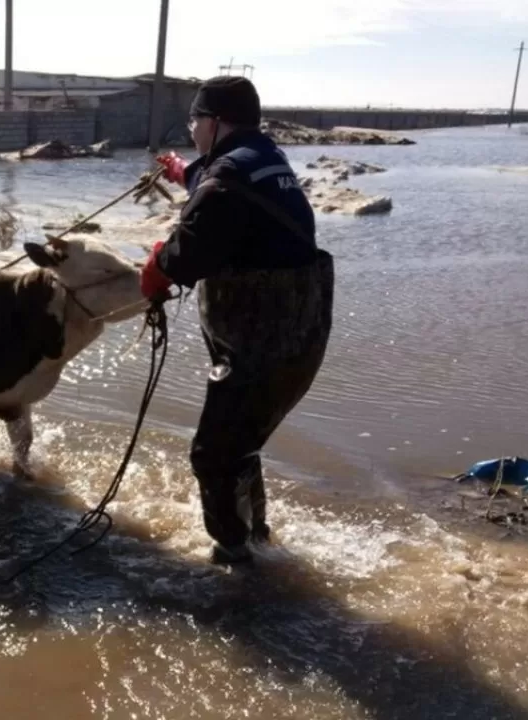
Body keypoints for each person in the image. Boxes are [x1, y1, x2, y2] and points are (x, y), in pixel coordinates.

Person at [140, 75, 334, 565]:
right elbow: (224, 182)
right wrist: (181, 171)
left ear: (215, 121)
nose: (191, 129)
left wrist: (157, 262)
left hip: (258, 347)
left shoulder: (225, 181)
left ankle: (237, 567)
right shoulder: (265, 158)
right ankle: (257, 540)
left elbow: (185, 260)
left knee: (213, 456)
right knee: (240, 447)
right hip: (299, 341)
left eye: (194, 120)